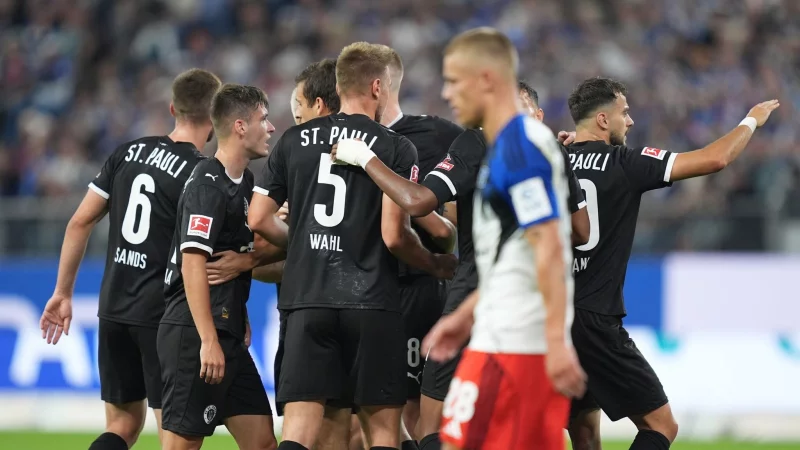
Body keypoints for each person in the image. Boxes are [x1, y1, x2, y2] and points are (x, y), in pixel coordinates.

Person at [334, 79, 590, 450]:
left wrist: (365, 158)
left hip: (475, 289)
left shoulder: (477, 141)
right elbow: (581, 231)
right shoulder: (551, 150)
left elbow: (420, 200)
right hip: (533, 299)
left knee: (434, 422)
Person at [248, 42, 456, 450]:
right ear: (378, 87)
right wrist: (434, 263)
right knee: (381, 433)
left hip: (307, 301)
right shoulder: (395, 146)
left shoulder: (294, 140)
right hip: (372, 304)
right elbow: (395, 236)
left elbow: (256, 218)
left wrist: (305, 243)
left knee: (301, 433)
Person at [563, 77, 779, 450]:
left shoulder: (551, 161)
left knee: (583, 430)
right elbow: (715, 158)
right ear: (602, 119)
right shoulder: (624, 163)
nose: (629, 121)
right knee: (661, 425)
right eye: (624, 113)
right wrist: (751, 121)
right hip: (595, 318)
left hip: (551, 317)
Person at [39, 69, 221, 450]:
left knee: (122, 425)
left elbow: (79, 222)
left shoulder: (127, 152)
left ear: (173, 108)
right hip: (162, 316)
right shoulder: (200, 173)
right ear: (216, 117)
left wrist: (63, 292)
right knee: (174, 437)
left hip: (114, 309)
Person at [423, 27, 586, 450]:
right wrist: (465, 316)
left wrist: (555, 341)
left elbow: (549, 243)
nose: (446, 93)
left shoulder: (521, 149)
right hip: (496, 333)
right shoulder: (501, 147)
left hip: (520, 345)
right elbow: (515, 253)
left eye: (454, 80)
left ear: (487, 79)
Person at [158, 84, 280, 450]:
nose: (271, 128)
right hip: (194, 334)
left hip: (226, 331)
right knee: (183, 443)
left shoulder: (246, 184)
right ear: (240, 126)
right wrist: (208, 340)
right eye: (263, 119)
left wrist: (236, 312)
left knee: (262, 441)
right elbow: (192, 263)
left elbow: (231, 254)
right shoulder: (207, 184)